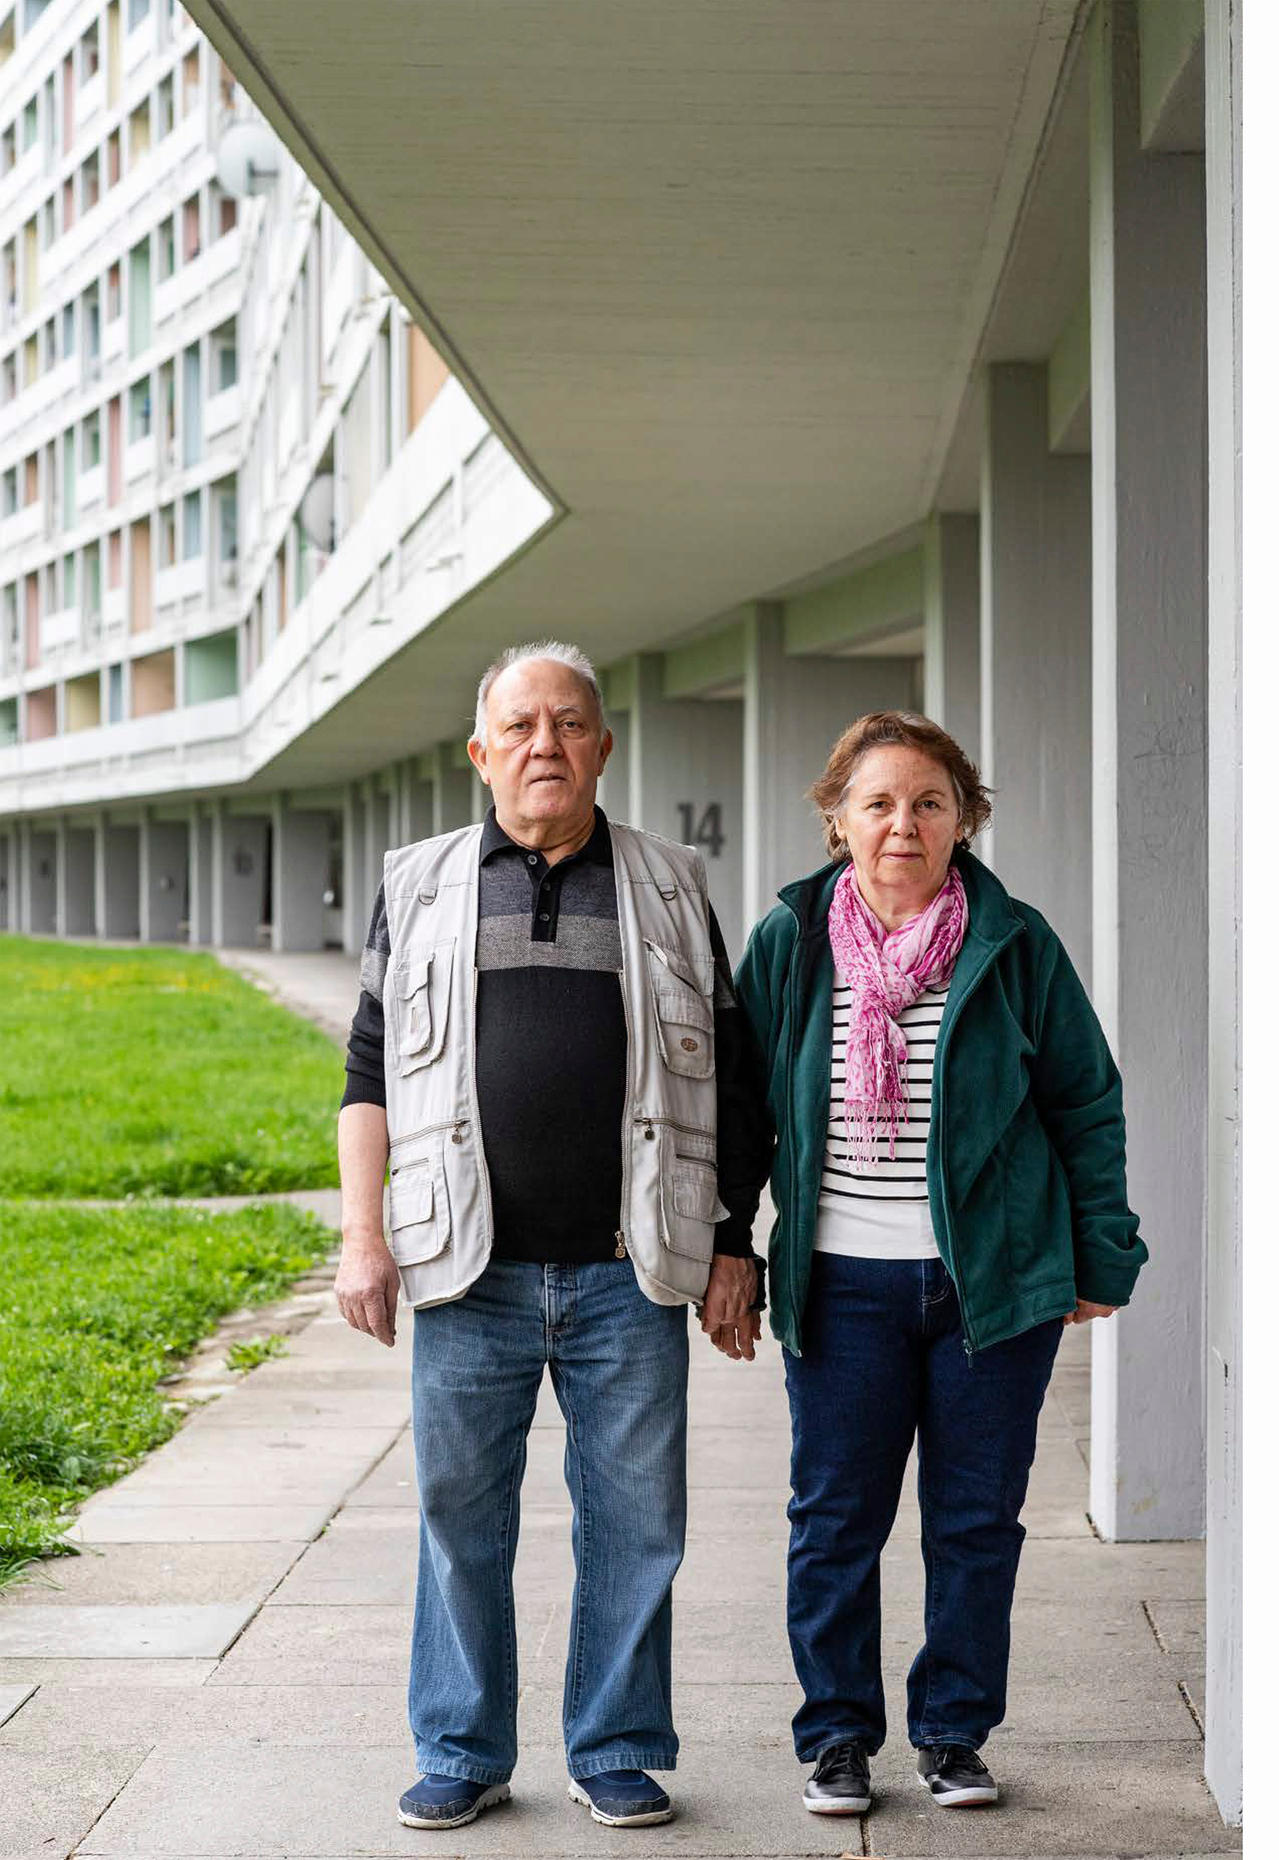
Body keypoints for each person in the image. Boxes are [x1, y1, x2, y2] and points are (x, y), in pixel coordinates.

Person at [333, 641, 770, 1833]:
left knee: (638, 1524)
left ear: (603, 747)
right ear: (481, 753)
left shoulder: (672, 882)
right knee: (457, 1517)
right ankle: (463, 1747)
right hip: (463, 1268)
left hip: (630, 1269)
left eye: (569, 724)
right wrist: (359, 1233)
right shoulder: (418, 883)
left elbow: (735, 1078)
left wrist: (734, 1238)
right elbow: (369, 1071)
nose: (545, 745)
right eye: (520, 726)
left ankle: (616, 1744)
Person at [735, 710, 1146, 1817]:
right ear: (837, 821)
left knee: (974, 1523)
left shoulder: (1013, 943)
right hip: (842, 1284)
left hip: (991, 1286)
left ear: (964, 819)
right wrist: (731, 1245)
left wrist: (1103, 1252)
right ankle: (835, 1740)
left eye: (928, 802)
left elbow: (1083, 1105)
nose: (902, 825)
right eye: (877, 803)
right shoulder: (791, 942)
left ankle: (954, 1734)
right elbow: (738, 1111)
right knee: (834, 1522)